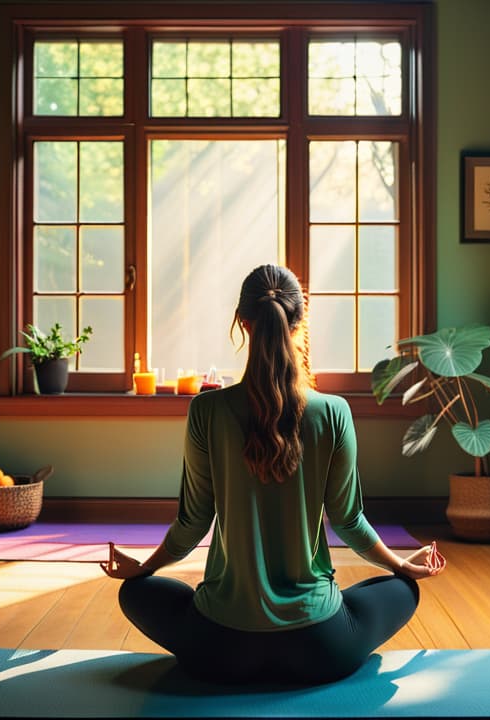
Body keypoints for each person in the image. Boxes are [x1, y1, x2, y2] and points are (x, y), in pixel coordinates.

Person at [101, 264, 446, 686]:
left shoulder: (206, 411)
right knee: (402, 590)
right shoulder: (334, 412)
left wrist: (142, 569)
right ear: (299, 322)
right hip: (320, 646)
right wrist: (402, 566)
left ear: (243, 323)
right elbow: (349, 522)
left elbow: (192, 523)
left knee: (135, 592)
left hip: (220, 647)